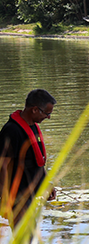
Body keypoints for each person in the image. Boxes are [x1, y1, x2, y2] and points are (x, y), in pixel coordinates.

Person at [0, 89, 56, 226]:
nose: (48, 117)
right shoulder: (12, 131)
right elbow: (3, 166)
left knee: (31, 240)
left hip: (30, 195)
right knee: (24, 241)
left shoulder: (33, 127)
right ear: (35, 110)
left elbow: (36, 161)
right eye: (47, 113)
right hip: (17, 197)